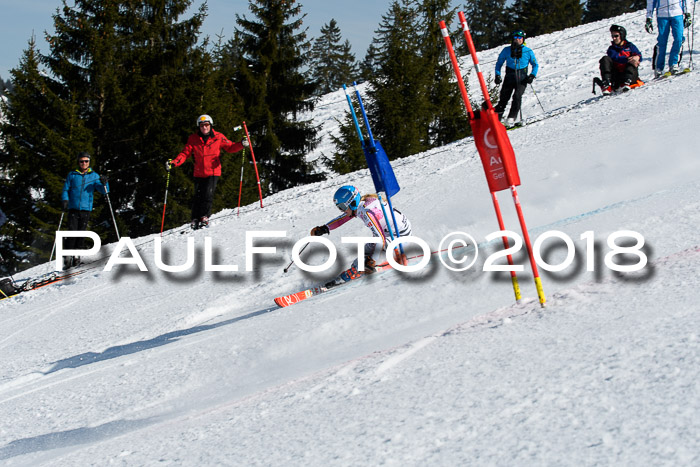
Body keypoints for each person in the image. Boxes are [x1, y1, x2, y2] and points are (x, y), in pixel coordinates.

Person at [310, 185, 412, 287]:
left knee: (367, 258)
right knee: (364, 252)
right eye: (339, 207)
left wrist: (372, 260)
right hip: (394, 233)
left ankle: (359, 270)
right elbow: (342, 218)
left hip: (399, 237)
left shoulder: (366, 212)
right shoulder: (363, 204)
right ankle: (358, 268)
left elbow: (380, 238)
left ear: (352, 202)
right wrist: (325, 228)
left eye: (342, 207)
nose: (342, 210)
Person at [167, 114, 249, 230]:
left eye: (206, 125)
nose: (204, 128)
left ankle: (204, 217)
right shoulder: (193, 139)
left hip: (213, 171)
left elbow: (230, 147)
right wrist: (174, 162)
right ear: (198, 127)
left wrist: (241, 144)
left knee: (207, 194)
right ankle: (195, 218)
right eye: (201, 126)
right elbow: (185, 153)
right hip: (199, 172)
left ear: (210, 125)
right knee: (198, 196)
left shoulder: (218, 137)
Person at [61, 152, 109, 269]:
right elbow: (65, 189)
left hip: (86, 208)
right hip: (73, 208)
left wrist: (105, 182)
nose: (84, 163)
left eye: (86, 161)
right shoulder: (72, 175)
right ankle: (67, 257)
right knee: (72, 231)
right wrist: (65, 200)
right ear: (78, 162)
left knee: (81, 232)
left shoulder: (94, 175)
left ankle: (77, 257)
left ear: (89, 162)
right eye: (81, 161)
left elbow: (104, 191)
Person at [494, 29, 539, 127]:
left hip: (522, 78)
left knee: (517, 97)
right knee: (503, 99)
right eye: (515, 38)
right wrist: (497, 75)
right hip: (509, 77)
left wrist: (532, 75)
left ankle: (511, 118)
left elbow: (535, 65)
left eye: (520, 38)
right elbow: (499, 63)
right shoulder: (506, 50)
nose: (517, 40)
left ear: (523, 39)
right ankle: (497, 120)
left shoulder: (528, 51)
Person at [646, 0, 692, 77]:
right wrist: (649, 18)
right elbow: (651, 2)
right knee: (662, 42)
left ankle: (673, 64)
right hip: (662, 15)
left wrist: (687, 13)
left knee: (679, 39)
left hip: (677, 14)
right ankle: (659, 68)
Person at [599, 25, 643, 95]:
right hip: (616, 77)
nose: (614, 38)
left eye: (616, 36)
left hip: (630, 75)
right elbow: (615, 57)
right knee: (605, 59)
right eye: (612, 36)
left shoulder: (630, 46)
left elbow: (639, 55)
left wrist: (637, 57)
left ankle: (627, 82)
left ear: (622, 35)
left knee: (633, 61)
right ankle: (607, 84)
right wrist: (627, 59)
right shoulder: (611, 49)